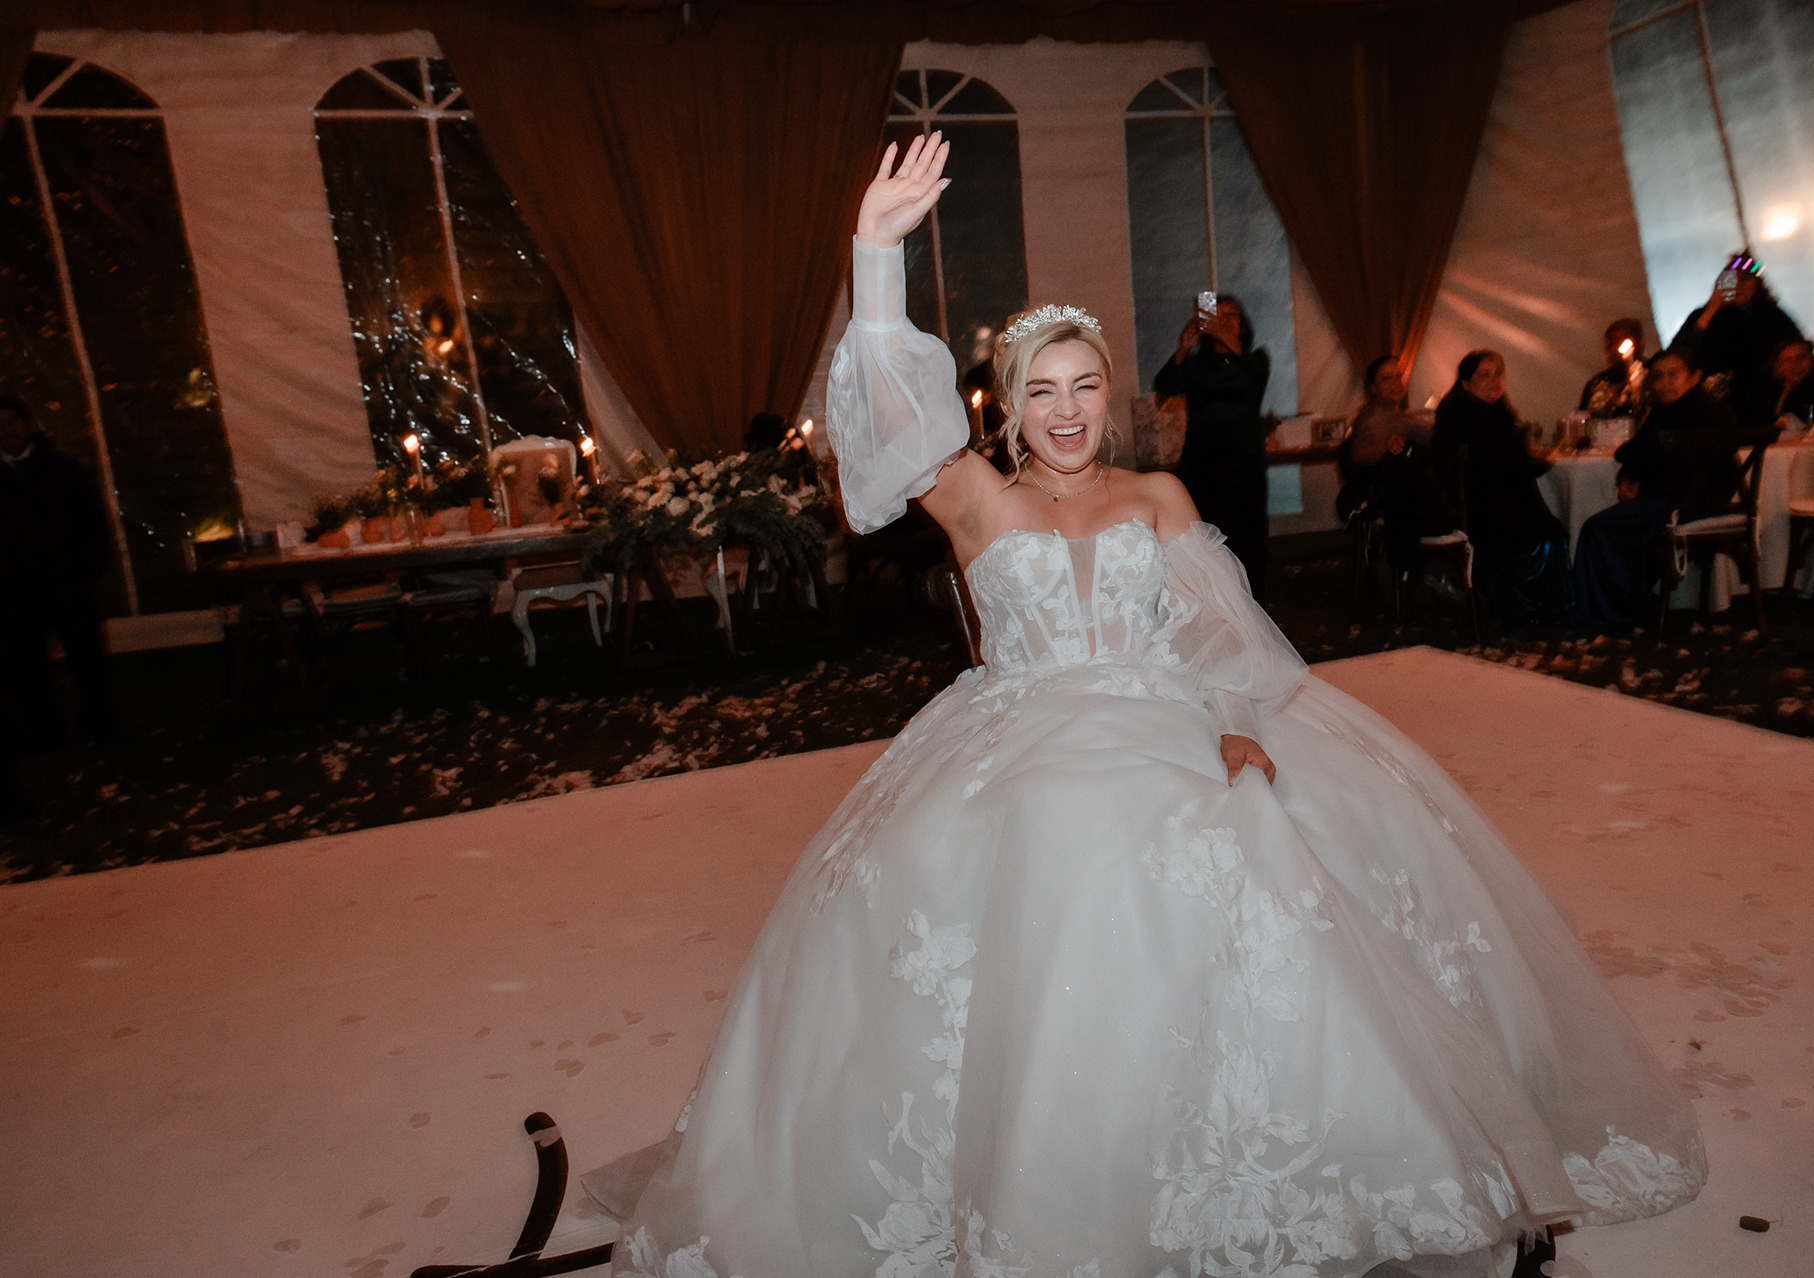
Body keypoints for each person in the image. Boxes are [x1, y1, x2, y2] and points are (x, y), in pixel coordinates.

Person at [589, 133, 1704, 1278]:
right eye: (1041, 391)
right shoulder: (973, 498)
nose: (1067, 411)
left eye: (1085, 387)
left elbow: (1224, 631)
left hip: (1166, 711)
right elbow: (885, 417)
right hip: (1016, 731)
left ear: (1110, 393)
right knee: (1036, 860)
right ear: (1007, 408)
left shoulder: (1157, 493)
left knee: (1267, 856)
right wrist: (875, 257)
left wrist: (1238, 726)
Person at [1571, 348, 1735, 628]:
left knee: (1597, 529)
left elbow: (1687, 474)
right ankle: (1625, 604)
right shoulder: (1665, 411)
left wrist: (1642, 486)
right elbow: (1633, 452)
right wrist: (1629, 477)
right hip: (1670, 499)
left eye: (1673, 375)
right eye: (1658, 376)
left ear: (1694, 377)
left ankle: (1619, 610)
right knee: (1612, 525)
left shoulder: (1703, 414)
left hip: (1692, 504)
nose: (1664, 383)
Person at [0, 396, 118, 749]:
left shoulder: (62, 469)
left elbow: (93, 522)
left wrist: (86, 570)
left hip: (67, 582)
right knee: (27, 664)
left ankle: (101, 723)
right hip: (16, 591)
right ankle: (45, 731)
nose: (7, 430)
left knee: (87, 658)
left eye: (12, 421)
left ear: (27, 424)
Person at [1431, 351, 1572, 624]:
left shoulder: (1488, 412)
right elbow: (1507, 468)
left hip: (1487, 502)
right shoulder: (1474, 417)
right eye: (1484, 375)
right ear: (1466, 383)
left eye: (1498, 374)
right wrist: (1543, 462)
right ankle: (1531, 609)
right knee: (1551, 533)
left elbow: (1506, 465)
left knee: (1548, 523)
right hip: (1486, 512)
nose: (1493, 381)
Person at [1154, 293, 1273, 603]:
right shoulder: (1197, 365)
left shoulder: (1256, 360)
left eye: (1231, 315)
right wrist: (1183, 347)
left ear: (1243, 325)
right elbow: (1164, 386)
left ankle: (1251, 606)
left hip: (1244, 468)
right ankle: (1211, 607)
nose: (1223, 321)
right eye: (1216, 315)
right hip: (1202, 467)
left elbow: (1253, 377)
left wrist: (1221, 332)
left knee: (1248, 542)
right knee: (1205, 542)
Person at [1339, 357, 1450, 571]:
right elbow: (1359, 456)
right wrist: (1382, 446)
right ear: (1373, 388)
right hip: (1385, 499)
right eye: (1386, 378)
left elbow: (1429, 432)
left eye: (1398, 376)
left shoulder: (1396, 415)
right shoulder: (1370, 417)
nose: (1396, 383)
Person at [1669, 252, 1803, 410]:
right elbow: (1676, 355)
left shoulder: (1774, 317)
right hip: (1709, 404)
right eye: (1732, 281)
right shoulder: (1703, 316)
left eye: (1745, 280)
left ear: (1756, 283)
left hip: (1763, 401)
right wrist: (1709, 312)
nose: (1739, 286)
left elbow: (1797, 352)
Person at [1750, 337, 1814, 428]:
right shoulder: (1767, 391)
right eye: (1787, 360)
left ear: (1812, 359)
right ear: (1778, 366)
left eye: (1801, 358)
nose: (1794, 364)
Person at [1576, 318, 1648, 419]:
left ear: (1640, 344)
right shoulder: (1597, 382)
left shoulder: (1654, 374)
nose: (1616, 350)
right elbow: (1583, 417)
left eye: (1621, 342)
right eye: (1611, 344)